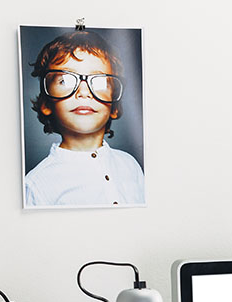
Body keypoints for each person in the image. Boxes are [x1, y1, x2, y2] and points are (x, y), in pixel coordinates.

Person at [24, 29, 145, 207]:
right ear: (46, 104)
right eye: (65, 80)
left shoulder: (131, 166)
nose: (84, 92)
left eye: (99, 81)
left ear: (114, 107)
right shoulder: (36, 185)